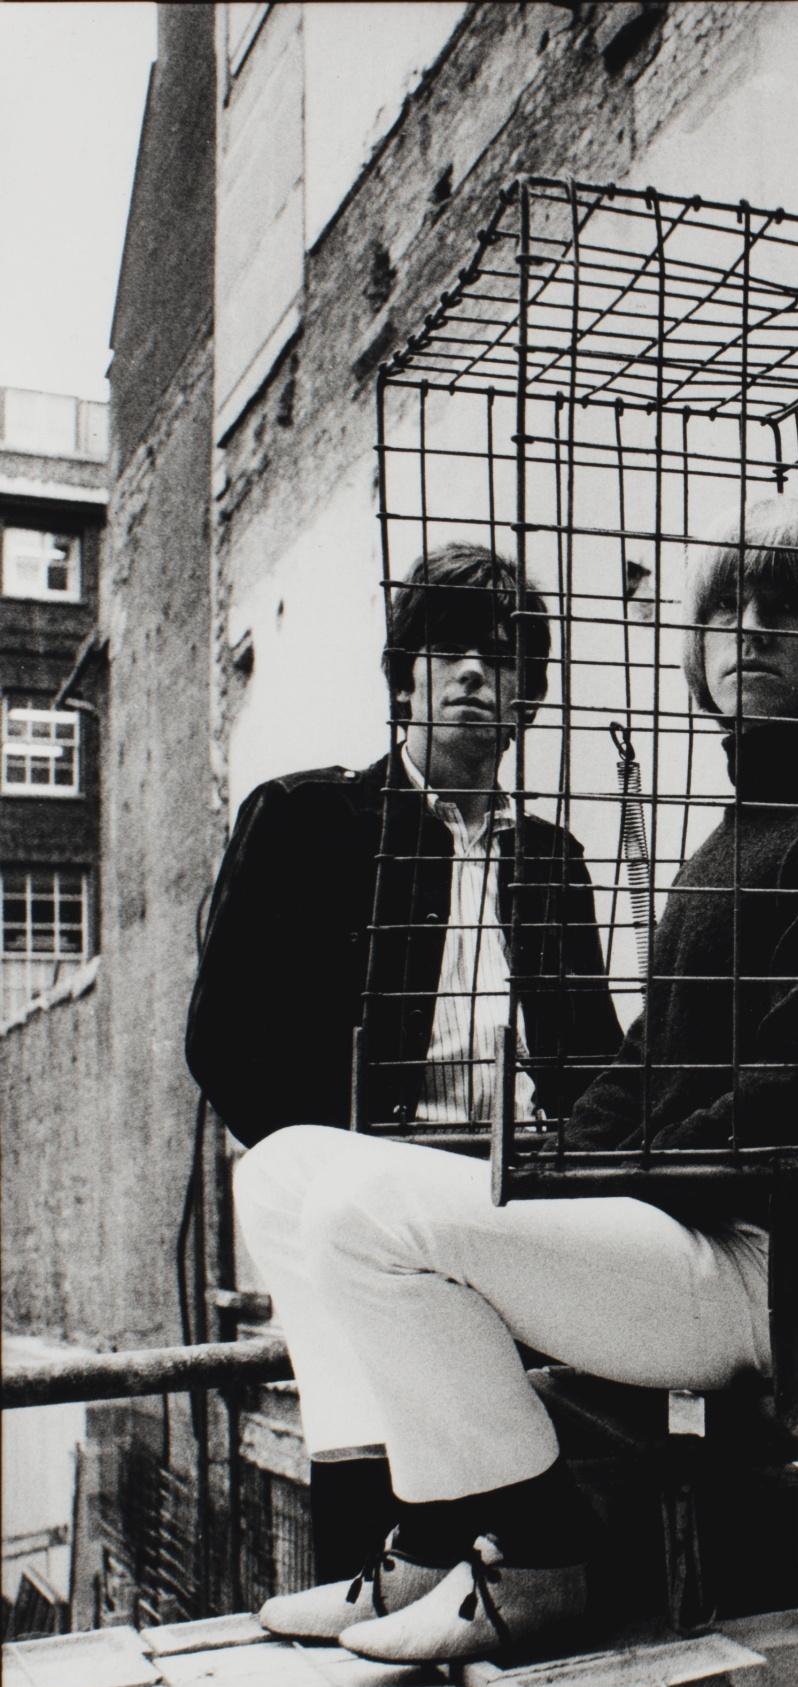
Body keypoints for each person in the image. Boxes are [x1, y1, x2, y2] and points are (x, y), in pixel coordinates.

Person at [237, 500, 798, 1664]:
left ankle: (535, 1549)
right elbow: (641, 1065)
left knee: (367, 1211)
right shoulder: (735, 836)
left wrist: (592, 1171)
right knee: (286, 1173)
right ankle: (423, 1538)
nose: (749, 631)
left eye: (787, 609)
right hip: (674, 1223)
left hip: (760, 1265)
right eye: (728, 609)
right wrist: (546, 1158)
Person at [185, 543, 622, 1578]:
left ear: (529, 697)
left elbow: (589, 1055)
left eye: (506, 655)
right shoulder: (308, 821)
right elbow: (223, 1041)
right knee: (381, 1478)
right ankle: (389, 1600)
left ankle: (537, 1584)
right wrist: (345, 1165)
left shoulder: (550, 860)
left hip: (519, 1204)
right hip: (372, 1203)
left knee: (540, 1453)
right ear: (404, 677)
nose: (476, 671)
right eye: (449, 648)